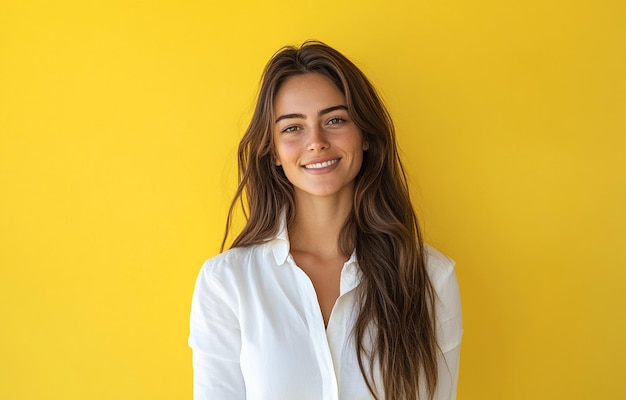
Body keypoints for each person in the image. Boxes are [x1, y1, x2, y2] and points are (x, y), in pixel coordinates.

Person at [188, 40, 462, 400]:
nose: (316, 142)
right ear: (272, 151)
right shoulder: (227, 283)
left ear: (365, 135)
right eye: (292, 127)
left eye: (334, 120)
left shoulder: (428, 275)